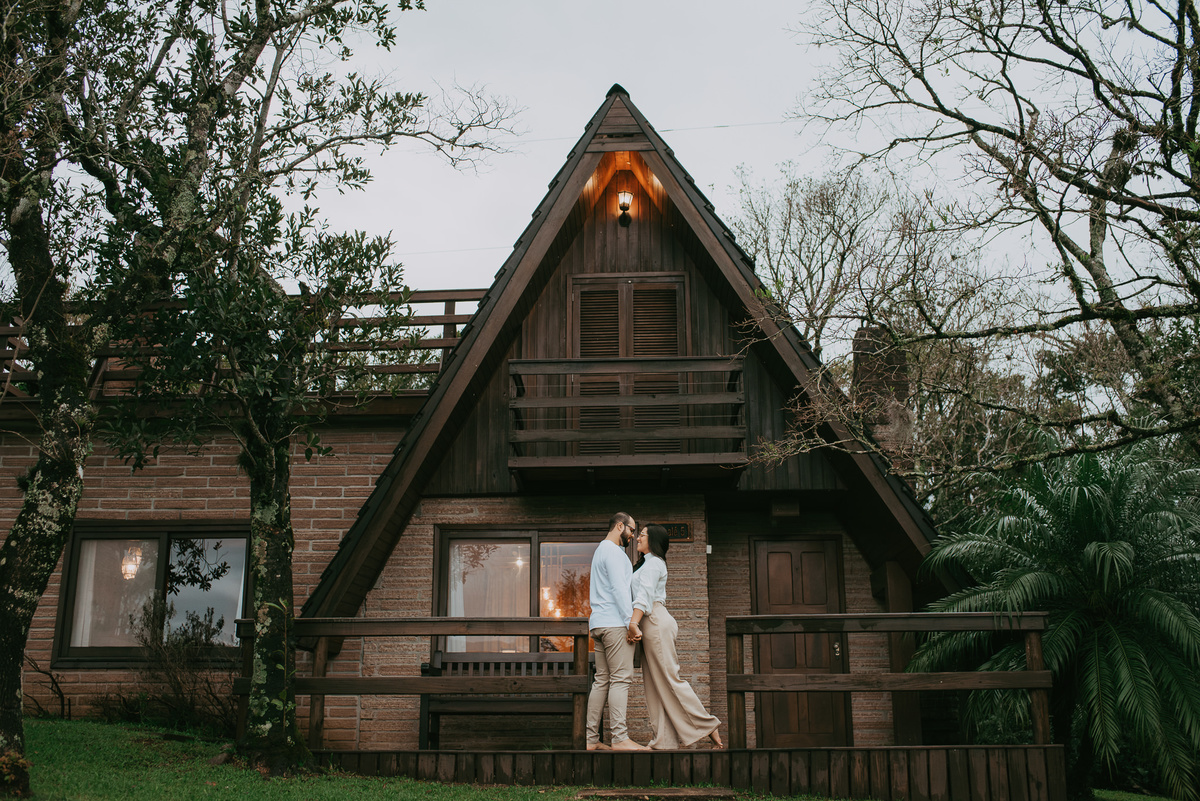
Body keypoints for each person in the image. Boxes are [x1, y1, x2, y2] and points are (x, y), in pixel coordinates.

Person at [627, 523, 723, 750]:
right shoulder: (645, 564)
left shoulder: (655, 564)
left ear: (654, 541)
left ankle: (707, 724)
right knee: (654, 683)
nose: (638, 537)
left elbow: (644, 596)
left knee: (670, 679)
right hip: (649, 623)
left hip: (655, 621)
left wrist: (633, 622)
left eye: (642, 534)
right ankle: (664, 740)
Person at [585, 512, 648, 751]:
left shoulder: (600, 551)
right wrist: (630, 622)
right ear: (619, 525)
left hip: (599, 624)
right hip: (615, 624)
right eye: (631, 530)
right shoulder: (613, 552)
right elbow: (619, 590)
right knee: (621, 679)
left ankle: (591, 740)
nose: (633, 535)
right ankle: (620, 738)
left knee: (601, 681)